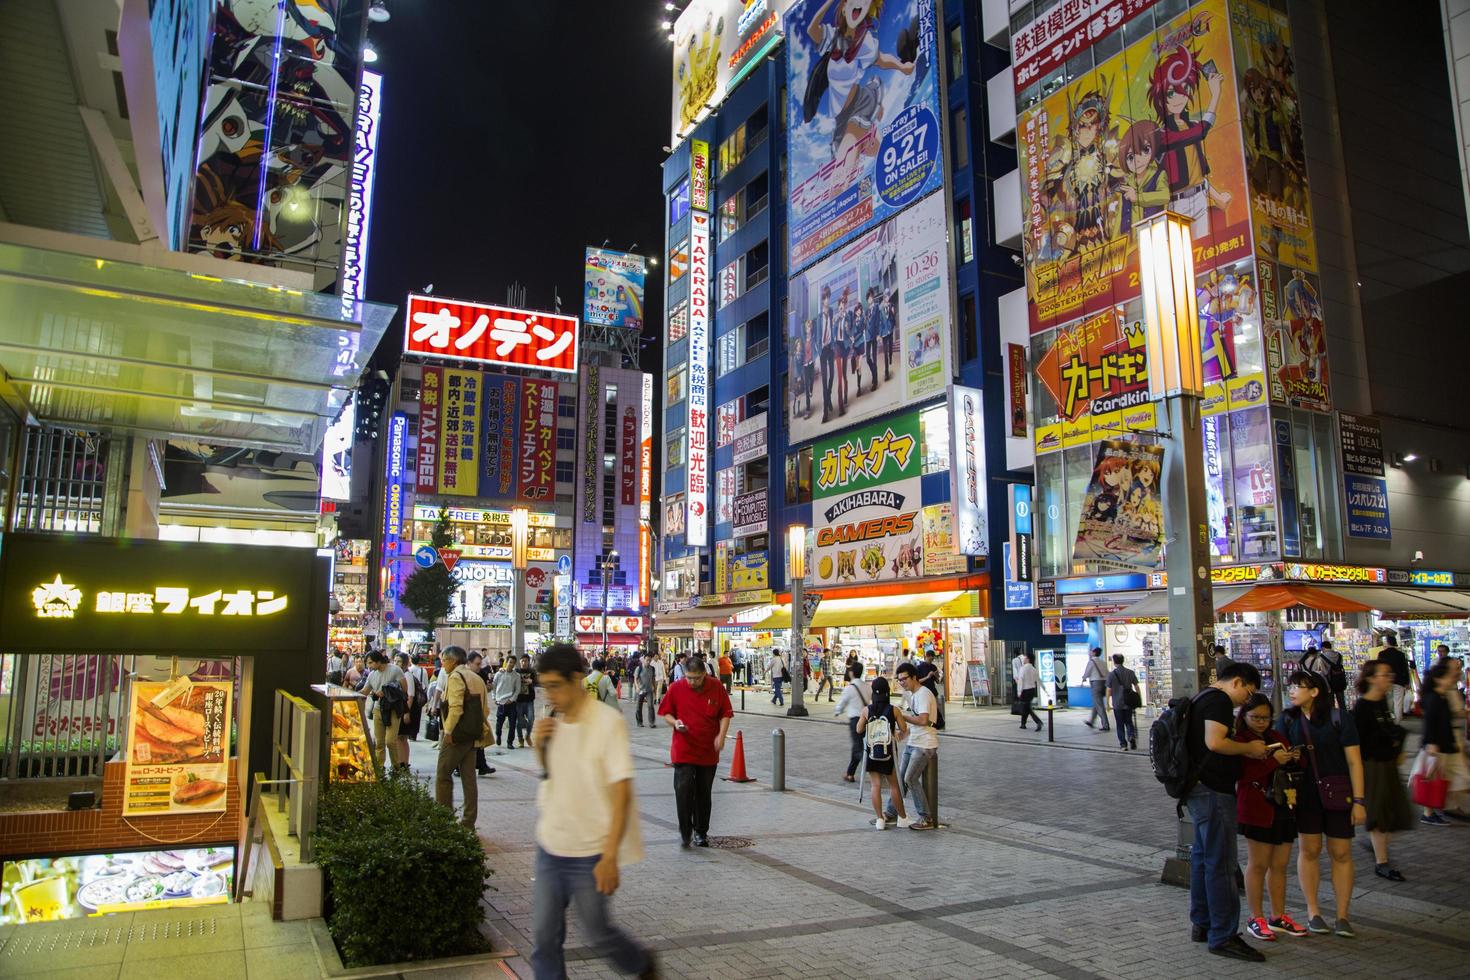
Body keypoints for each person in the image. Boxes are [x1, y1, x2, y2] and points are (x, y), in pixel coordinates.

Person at [529, 643, 656, 980]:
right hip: (550, 845)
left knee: (598, 932)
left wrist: (610, 855)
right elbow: (549, 776)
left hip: (590, 853)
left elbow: (622, 793)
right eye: (545, 687)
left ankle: (641, 964)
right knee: (544, 938)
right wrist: (541, 748)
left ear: (576, 679)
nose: (550, 695)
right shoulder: (549, 719)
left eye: (555, 686)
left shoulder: (607, 722)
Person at [1185, 660, 1269, 961]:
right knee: (1221, 863)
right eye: (1247, 692)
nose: (1246, 699)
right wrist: (1250, 748)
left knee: (1203, 859)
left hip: (1197, 788)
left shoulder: (1201, 697)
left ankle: (1203, 924)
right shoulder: (1219, 700)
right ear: (1236, 681)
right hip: (1213, 791)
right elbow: (1215, 742)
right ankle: (1223, 935)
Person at [1279, 669, 1364, 938]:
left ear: (1315, 691)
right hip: (1305, 795)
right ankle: (1313, 911)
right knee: (1310, 849)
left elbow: (1354, 761)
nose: (1292, 691)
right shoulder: (1287, 719)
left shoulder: (1339, 719)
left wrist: (1360, 800)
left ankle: (1342, 915)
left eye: (1298, 686)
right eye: (1290, 686)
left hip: (1339, 792)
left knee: (1340, 852)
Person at [1233, 693, 1306, 942]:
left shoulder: (1276, 737)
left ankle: (1278, 915)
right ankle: (1256, 917)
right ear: (1245, 716)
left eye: (1266, 717)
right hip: (1256, 808)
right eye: (1256, 717)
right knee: (1258, 863)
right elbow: (1243, 775)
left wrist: (1294, 757)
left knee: (1280, 864)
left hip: (1283, 805)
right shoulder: (1241, 740)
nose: (1262, 722)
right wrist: (1272, 762)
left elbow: (1296, 766)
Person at [657, 656, 733, 847]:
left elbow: (725, 714)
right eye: (689, 678)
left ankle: (701, 831)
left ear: (704, 674)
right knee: (683, 790)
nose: (692, 682)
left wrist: (721, 736)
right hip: (684, 748)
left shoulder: (716, 687)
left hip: (708, 750)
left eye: (697, 678)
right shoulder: (676, 688)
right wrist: (675, 722)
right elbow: (666, 713)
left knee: (703, 792)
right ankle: (685, 830)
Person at [1350, 661, 1412, 878]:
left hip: (1386, 764)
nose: (1388, 678)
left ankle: (1379, 852)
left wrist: (1398, 740)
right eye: (1383, 675)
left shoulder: (1381, 703)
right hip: (1373, 766)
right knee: (1380, 815)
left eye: (1389, 674)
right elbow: (1359, 744)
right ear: (1370, 678)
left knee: (1390, 814)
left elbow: (1388, 730)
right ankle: (1381, 862)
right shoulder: (1362, 708)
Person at [437, 645, 490, 828]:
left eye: (444, 660)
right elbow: (485, 709)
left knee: (443, 774)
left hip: (457, 735)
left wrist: (448, 732)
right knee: (469, 779)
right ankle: (468, 822)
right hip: (473, 734)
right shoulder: (476, 678)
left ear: (453, 661)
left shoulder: (455, 677)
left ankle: (444, 819)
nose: (442, 663)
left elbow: (456, 707)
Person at [883, 663, 939, 831]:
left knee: (910, 779)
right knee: (900, 779)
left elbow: (923, 720)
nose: (902, 683)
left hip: (924, 744)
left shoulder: (923, 694)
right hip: (914, 741)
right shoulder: (914, 695)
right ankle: (892, 812)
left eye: (904, 679)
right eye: (899, 680)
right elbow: (919, 722)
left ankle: (925, 817)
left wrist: (902, 717)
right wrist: (904, 733)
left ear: (914, 677)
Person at [1416, 659, 1470, 825]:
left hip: (1444, 744)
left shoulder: (1441, 697)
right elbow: (1430, 723)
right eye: (1448, 676)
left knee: (1444, 777)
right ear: (1439, 679)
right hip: (1437, 745)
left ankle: (1434, 810)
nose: (1452, 678)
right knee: (1434, 779)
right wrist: (1432, 743)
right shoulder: (1435, 698)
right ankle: (1429, 812)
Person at [858, 676, 908, 829]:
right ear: (887, 692)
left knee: (875, 785)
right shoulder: (894, 710)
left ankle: (880, 819)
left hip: (872, 751)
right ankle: (902, 818)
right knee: (894, 786)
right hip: (889, 753)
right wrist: (897, 734)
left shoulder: (867, 710)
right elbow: (904, 729)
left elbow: (859, 729)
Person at [363, 651, 409, 770]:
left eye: (371, 663)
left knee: (390, 741)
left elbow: (404, 689)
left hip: (393, 710)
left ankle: (396, 766)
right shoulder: (372, 674)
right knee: (379, 743)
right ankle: (379, 768)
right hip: (378, 710)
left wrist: (388, 692)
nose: (369, 666)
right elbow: (365, 691)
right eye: (368, 663)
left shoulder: (395, 670)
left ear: (379, 661)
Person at [834, 664, 871, 782]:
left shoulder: (850, 688)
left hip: (855, 720)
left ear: (851, 673)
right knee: (859, 746)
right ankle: (850, 773)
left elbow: (842, 702)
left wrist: (837, 711)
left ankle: (871, 767)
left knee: (858, 747)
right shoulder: (867, 686)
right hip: (866, 718)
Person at [1375, 633, 1418, 722]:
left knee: (1389, 700)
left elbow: (1378, 667)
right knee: (1398, 701)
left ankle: (1392, 715)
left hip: (1386, 681)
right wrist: (1407, 682)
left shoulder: (1382, 654)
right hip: (1399, 681)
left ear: (1387, 642)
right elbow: (1404, 669)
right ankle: (1398, 721)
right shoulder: (1400, 654)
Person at [1301, 641, 1349, 717]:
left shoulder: (1322, 657)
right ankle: (1345, 717)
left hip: (1329, 682)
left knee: (1331, 702)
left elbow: (1324, 671)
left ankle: (1334, 718)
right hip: (1339, 680)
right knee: (1341, 701)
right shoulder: (1339, 655)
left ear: (1323, 648)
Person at [1107, 654, 1141, 750]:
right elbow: (1137, 686)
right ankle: (1131, 736)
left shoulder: (1111, 674)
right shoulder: (1130, 672)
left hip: (1117, 703)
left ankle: (1123, 744)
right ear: (1123, 661)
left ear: (1114, 662)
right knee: (1129, 722)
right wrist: (1138, 698)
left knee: (1119, 724)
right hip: (1128, 702)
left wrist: (1107, 704)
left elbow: (1109, 690)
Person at [493, 656, 523, 748]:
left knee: (512, 723)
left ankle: (510, 742)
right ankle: (498, 735)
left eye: (513, 662)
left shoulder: (516, 676)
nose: (511, 664)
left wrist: (511, 699)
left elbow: (517, 690)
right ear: (506, 662)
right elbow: (494, 686)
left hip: (511, 703)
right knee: (499, 723)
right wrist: (494, 698)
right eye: (510, 662)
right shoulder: (499, 674)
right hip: (501, 702)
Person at [1082, 647, 1111, 732]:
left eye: (1091, 651)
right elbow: (1107, 672)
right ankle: (1091, 721)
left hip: (1096, 684)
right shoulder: (1103, 662)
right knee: (1097, 703)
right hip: (1104, 684)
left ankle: (1105, 725)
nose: (1090, 653)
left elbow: (1087, 672)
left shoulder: (1091, 662)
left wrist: (1083, 678)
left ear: (1094, 653)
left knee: (1099, 705)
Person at [1015, 652, 1043, 733]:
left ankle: (1038, 722)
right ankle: (1023, 724)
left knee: (1027, 708)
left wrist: (1019, 691)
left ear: (1028, 659)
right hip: (1032, 690)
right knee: (1026, 707)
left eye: (1025, 658)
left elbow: (1021, 681)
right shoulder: (1034, 669)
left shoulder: (1023, 669)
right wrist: (1045, 689)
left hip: (1025, 690)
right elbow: (1039, 680)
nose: (1024, 659)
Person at [516, 654, 538, 749]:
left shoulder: (532, 672)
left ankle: (528, 735)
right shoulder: (516, 672)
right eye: (522, 661)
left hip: (529, 700)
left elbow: (537, 682)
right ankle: (520, 739)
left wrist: (532, 682)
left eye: (526, 661)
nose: (524, 663)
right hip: (518, 700)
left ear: (529, 662)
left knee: (531, 719)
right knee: (519, 721)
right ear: (520, 662)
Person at [633, 653, 658, 727]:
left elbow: (653, 679)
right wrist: (637, 687)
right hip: (640, 690)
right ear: (644, 659)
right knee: (638, 707)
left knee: (651, 706)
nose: (648, 662)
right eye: (647, 660)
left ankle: (651, 722)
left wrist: (655, 688)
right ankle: (639, 722)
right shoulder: (639, 668)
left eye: (650, 660)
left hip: (649, 690)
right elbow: (635, 679)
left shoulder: (652, 668)